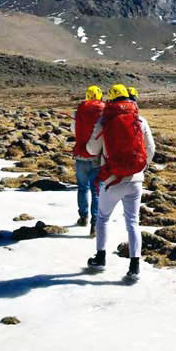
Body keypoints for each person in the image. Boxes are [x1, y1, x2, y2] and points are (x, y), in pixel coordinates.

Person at [86, 83, 155, 282]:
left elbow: (91, 149)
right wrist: (141, 168)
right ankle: (135, 266)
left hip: (112, 179)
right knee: (133, 222)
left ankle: (100, 258)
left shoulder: (104, 121)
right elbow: (151, 149)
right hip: (135, 179)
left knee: (103, 218)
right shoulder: (140, 120)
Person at [71, 85, 105, 237]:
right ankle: (95, 225)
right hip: (97, 157)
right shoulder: (104, 111)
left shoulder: (78, 110)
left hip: (80, 156)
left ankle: (83, 217)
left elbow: (73, 129)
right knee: (96, 191)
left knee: (82, 188)